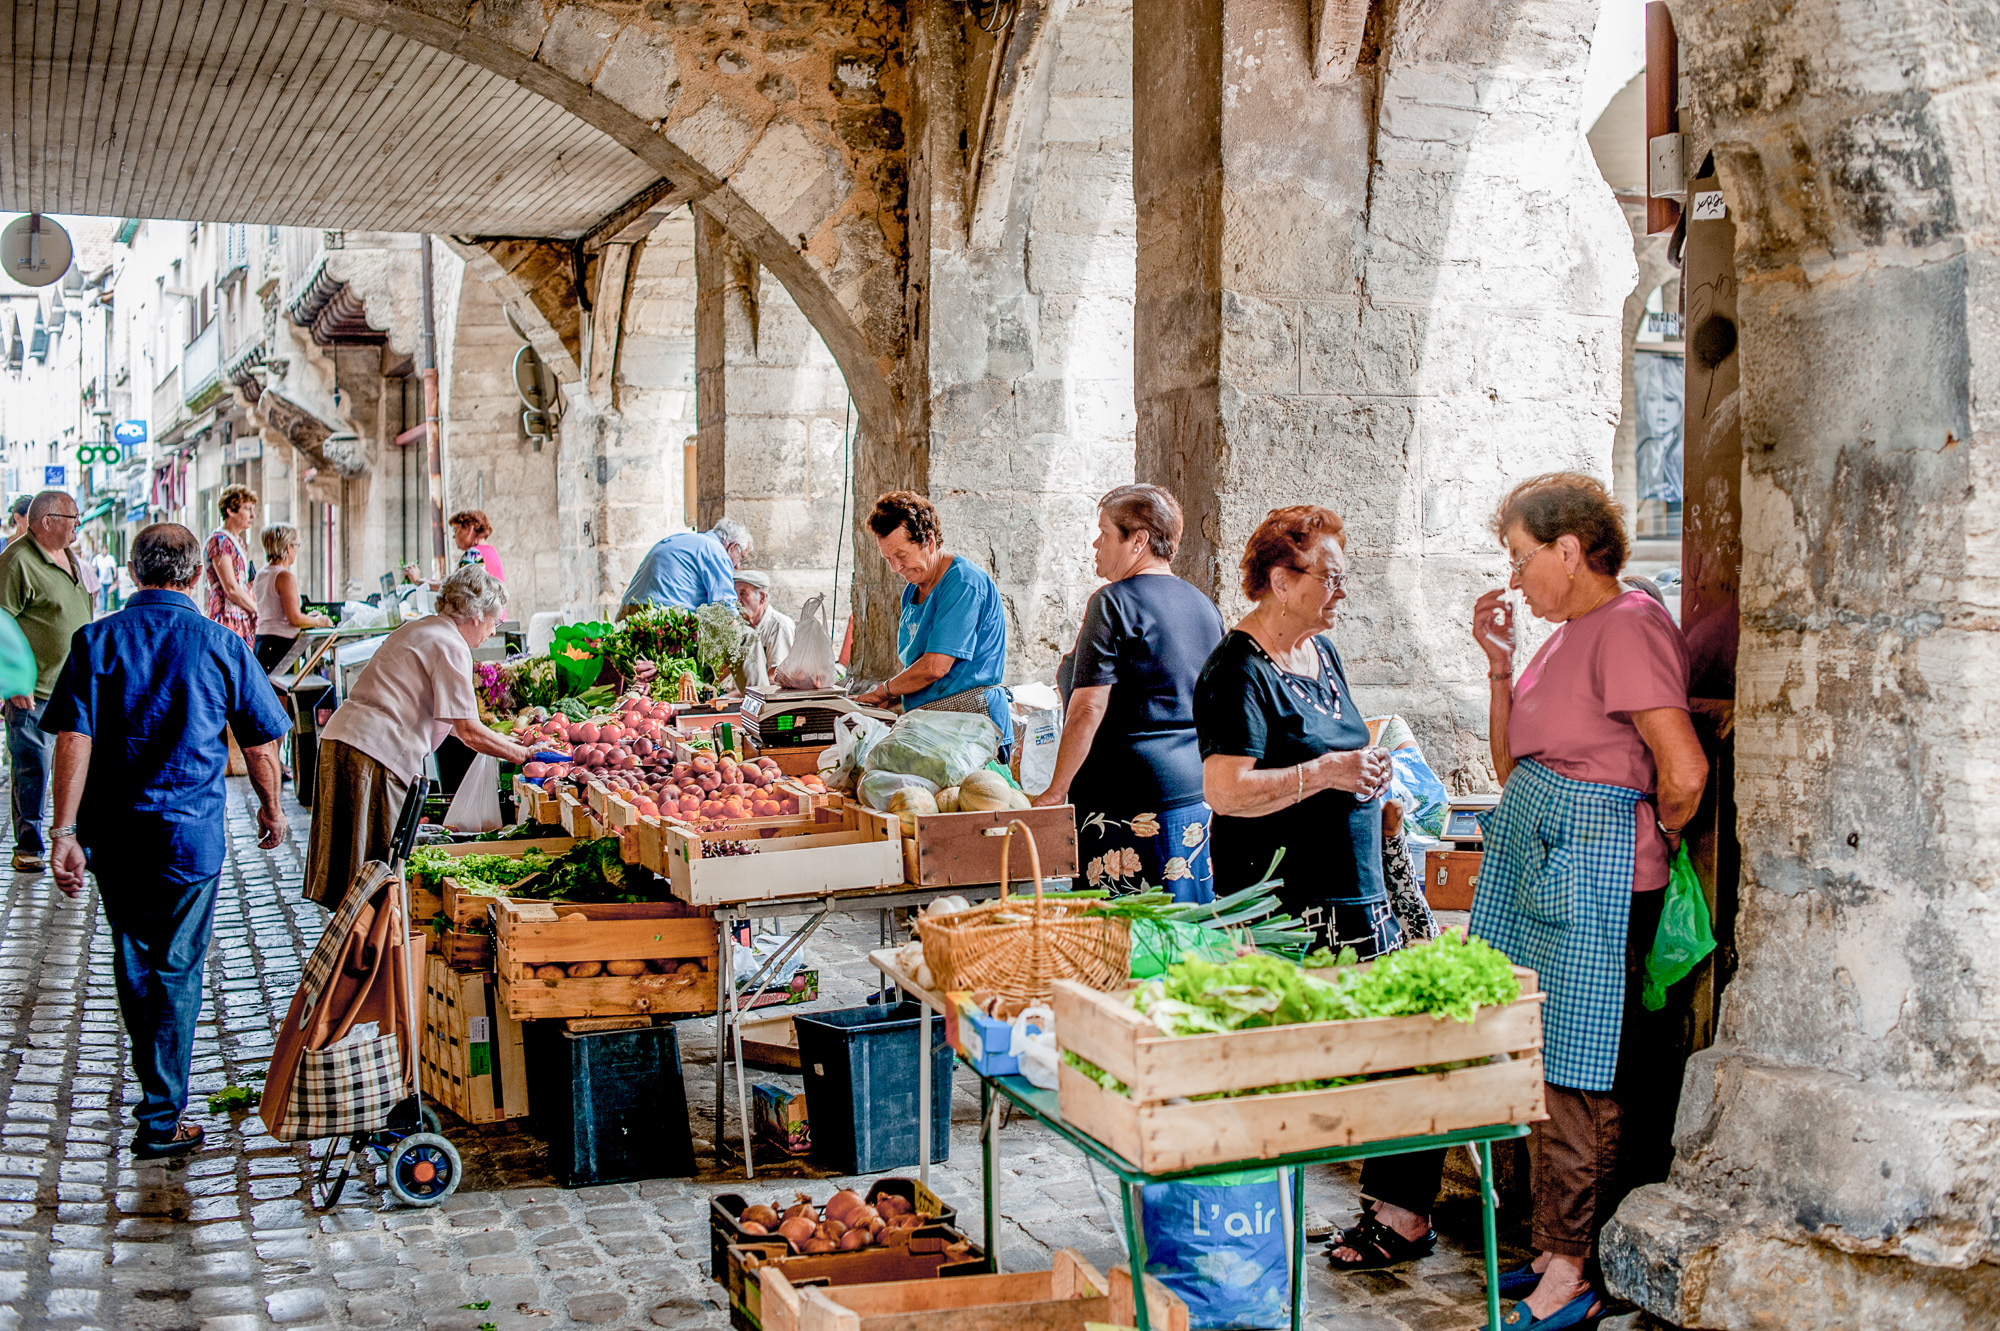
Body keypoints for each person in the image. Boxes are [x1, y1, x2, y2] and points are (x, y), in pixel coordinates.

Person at [1328, 474, 1708, 1331]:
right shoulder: (1562, 637)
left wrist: (1648, 839)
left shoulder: (1630, 626)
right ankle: (1547, 1244)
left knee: (1577, 1073)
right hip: (1539, 868)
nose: (1514, 575)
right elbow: (1513, 764)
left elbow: (1681, 772)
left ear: (1569, 550)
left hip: (1595, 878)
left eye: (1519, 556)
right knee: (1528, 1055)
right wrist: (1499, 667)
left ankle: (1573, 1269)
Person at [43, 523, 291, 1157]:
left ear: (131, 572)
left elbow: (74, 738)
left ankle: (158, 1101)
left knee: (133, 962)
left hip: (116, 836)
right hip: (190, 837)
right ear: (195, 576)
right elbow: (262, 742)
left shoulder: (94, 641)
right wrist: (272, 808)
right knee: (177, 967)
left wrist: (63, 830)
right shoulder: (218, 643)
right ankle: (160, 1115)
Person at [1193, 506, 1393, 950]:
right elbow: (1225, 792)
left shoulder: (1322, 652)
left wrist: (1368, 768)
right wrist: (1327, 772)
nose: (1342, 594)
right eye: (1331, 579)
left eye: (1343, 579)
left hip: (1356, 897)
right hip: (1285, 911)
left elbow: (1335, 746)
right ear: (1282, 582)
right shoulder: (1237, 671)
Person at [303, 566, 538, 910]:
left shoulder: (420, 629)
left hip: (343, 740)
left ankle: (352, 948)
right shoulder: (451, 644)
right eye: (494, 621)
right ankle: (365, 955)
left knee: (346, 868)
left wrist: (514, 746)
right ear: (474, 615)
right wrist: (526, 756)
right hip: (374, 753)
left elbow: (458, 724)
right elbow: (470, 730)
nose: (492, 631)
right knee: (370, 871)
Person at [1032, 485, 1224, 902]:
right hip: (1193, 794)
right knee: (1185, 931)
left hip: (1126, 801)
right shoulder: (1204, 606)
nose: (1095, 543)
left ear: (1137, 540)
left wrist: (1054, 792)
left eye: (1104, 532)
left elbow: (1086, 709)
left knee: (1126, 937)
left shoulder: (1112, 603)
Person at [853, 491, 1011, 744]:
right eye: (888, 559)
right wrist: (890, 698)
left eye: (902, 555)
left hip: (970, 725)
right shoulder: (912, 590)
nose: (896, 568)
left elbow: (935, 667)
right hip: (930, 723)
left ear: (929, 540)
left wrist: (885, 689)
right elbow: (916, 666)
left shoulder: (963, 582)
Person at [0, 492, 93, 873]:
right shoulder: (16, 560)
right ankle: (29, 846)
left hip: (74, 685)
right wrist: (12, 681)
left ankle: (76, 836)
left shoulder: (71, 558)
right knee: (31, 769)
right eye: (72, 517)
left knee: (78, 765)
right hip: (33, 690)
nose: (77, 524)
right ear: (47, 520)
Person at [618, 518, 751, 617]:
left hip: (629, 612)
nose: (737, 566)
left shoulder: (684, 540)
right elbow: (724, 607)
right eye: (741, 557)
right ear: (733, 547)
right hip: (660, 618)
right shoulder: (717, 552)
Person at [252, 524, 332, 672]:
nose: (296, 550)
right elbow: (294, 619)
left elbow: (277, 613)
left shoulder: (262, 573)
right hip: (278, 645)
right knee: (281, 693)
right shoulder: (284, 577)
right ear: (288, 547)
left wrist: (306, 618)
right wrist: (319, 621)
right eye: (296, 545)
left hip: (262, 642)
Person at [204, 484, 259, 648]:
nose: (252, 515)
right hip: (228, 618)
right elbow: (231, 588)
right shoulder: (220, 541)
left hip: (241, 617)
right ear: (230, 510)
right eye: (247, 509)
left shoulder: (238, 542)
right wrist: (256, 610)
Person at [726, 569, 796, 692]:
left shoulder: (779, 626)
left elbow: (775, 679)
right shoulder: (741, 626)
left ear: (761, 597)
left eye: (743, 594)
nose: (737, 601)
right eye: (735, 594)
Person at [402, 509, 507, 586]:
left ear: (470, 529)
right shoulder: (490, 551)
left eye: (456, 530)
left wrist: (418, 581)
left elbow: (453, 588)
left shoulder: (474, 554)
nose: (454, 536)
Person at [92, 544, 117, 614]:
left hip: (108, 579)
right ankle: (103, 608)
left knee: (106, 594)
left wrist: (115, 574)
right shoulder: (97, 558)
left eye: (105, 549)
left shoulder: (110, 558)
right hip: (100, 579)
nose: (104, 551)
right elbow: (94, 567)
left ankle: (104, 607)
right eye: (103, 549)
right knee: (102, 594)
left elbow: (114, 566)